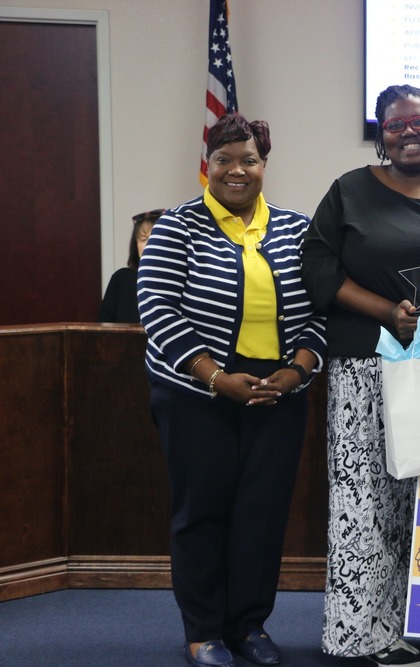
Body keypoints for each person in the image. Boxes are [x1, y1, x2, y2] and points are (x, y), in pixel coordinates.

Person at [301, 84, 420, 667]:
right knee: (372, 501)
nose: (408, 133)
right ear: (381, 134)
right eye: (394, 126)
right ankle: (374, 631)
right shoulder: (349, 190)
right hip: (371, 370)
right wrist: (387, 311)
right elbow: (317, 269)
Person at [137, 113, 326, 667]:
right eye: (224, 160)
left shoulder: (296, 228)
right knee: (203, 512)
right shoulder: (178, 226)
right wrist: (216, 378)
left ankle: (250, 627)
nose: (236, 170)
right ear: (208, 167)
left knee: (262, 514)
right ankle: (203, 631)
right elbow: (159, 311)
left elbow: (320, 311)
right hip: (197, 390)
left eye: (249, 159)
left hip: (277, 389)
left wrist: (296, 373)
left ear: (264, 166)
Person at [98, 208, 163, 322]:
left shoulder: (185, 279)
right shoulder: (121, 279)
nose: (149, 244)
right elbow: (104, 329)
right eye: (143, 239)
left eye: (155, 237)